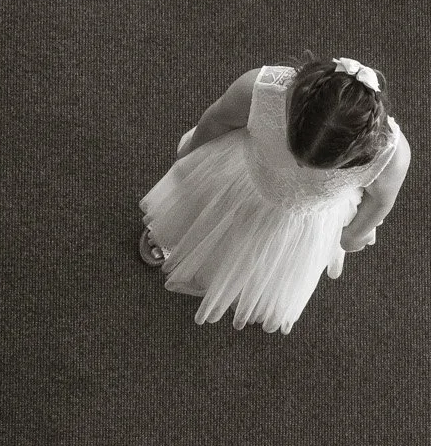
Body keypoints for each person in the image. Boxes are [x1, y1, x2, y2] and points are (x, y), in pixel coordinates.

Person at [139, 54, 411, 334]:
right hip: (242, 179)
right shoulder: (262, 89)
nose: (299, 166)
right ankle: (181, 240)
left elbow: (381, 199)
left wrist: (355, 233)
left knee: (261, 252)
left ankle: (227, 274)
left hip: (303, 217)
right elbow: (218, 119)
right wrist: (192, 151)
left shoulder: (390, 155)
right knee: (207, 211)